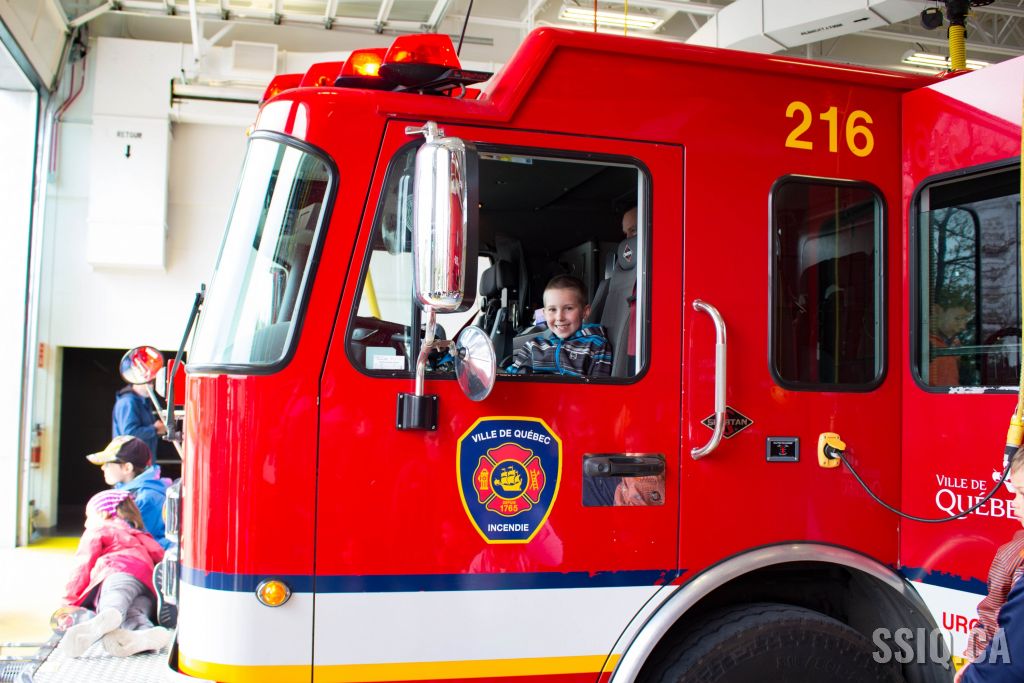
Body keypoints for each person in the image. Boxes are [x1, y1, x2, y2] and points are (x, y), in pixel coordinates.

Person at [60, 490, 171, 658]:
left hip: (118, 570)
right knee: (134, 612)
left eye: (88, 516)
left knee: (115, 598)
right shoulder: (138, 533)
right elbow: (160, 555)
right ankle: (143, 633)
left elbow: (82, 565)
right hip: (147, 583)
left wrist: (68, 602)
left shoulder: (99, 528)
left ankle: (108, 614)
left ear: (103, 514)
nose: (86, 523)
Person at [957, 447, 1024, 682]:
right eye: (1015, 492)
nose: (1014, 503)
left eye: (1022, 493)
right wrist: (976, 660)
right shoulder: (1011, 556)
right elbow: (989, 617)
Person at [506, 274, 612, 377]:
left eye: (568, 308)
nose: (559, 317)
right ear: (545, 314)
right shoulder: (533, 346)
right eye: (552, 309)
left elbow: (600, 386)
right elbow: (512, 379)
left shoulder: (596, 346)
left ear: (585, 312)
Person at [87, 435, 170, 549]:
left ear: (127, 468)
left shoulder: (145, 499)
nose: (103, 467)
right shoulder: (135, 491)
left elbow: (137, 544)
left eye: (108, 463)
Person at [113, 382, 166, 456]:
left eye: (152, 382)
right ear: (136, 381)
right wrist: (155, 429)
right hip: (131, 459)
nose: (152, 386)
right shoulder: (128, 402)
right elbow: (129, 433)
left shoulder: (143, 402)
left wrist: (159, 430)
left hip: (142, 458)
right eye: (148, 382)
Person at [929, 302, 970, 385]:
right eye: (958, 318)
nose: (963, 327)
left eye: (965, 320)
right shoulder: (921, 342)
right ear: (937, 310)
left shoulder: (955, 343)